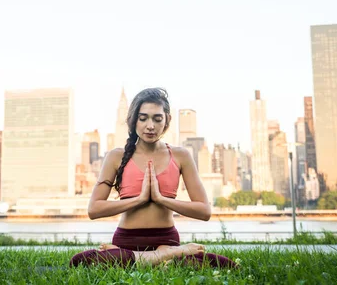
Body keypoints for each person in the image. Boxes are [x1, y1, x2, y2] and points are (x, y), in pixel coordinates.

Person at [69, 88, 237, 268]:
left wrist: (161, 199)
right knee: (78, 261)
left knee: (227, 265)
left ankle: (144, 258)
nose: (150, 126)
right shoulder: (115, 156)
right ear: (133, 120)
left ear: (166, 121)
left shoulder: (181, 156)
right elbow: (94, 209)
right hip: (126, 240)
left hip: (166, 238)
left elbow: (204, 211)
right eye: (143, 118)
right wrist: (139, 199)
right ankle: (165, 256)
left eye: (157, 119)